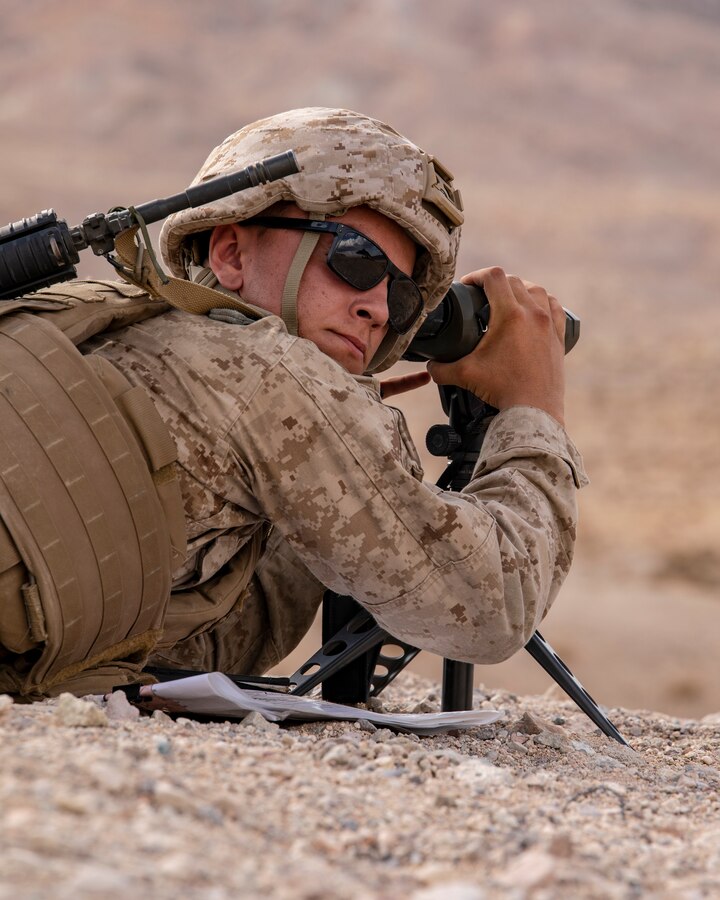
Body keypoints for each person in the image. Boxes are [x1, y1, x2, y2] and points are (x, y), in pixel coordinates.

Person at [0, 108, 586, 698]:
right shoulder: (270, 375)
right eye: (355, 261)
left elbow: (181, 645)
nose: (378, 310)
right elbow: (491, 609)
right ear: (230, 253)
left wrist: (347, 462)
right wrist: (533, 406)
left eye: (404, 298)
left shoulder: (98, 328)